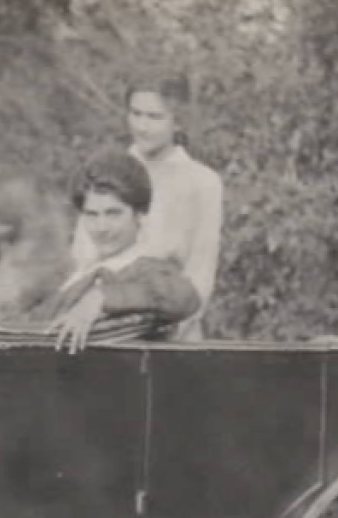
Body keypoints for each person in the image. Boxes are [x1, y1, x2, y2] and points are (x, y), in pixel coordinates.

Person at [72, 73, 224, 336]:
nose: (142, 127)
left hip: (171, 325)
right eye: (136, 114)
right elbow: (83, 257)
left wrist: (170, 333)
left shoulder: (202, 182)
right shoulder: (108, 171)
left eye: (155, 117)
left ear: (178, 121)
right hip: (102, 321)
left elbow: (201, 273)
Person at [33, 150, 201, 352]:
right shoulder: (84, 272)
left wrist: (101, 298)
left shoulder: (146, 266)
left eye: (113, 214)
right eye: (92, 214)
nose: (101, 227)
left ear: (139, 215)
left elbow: (184, 296)